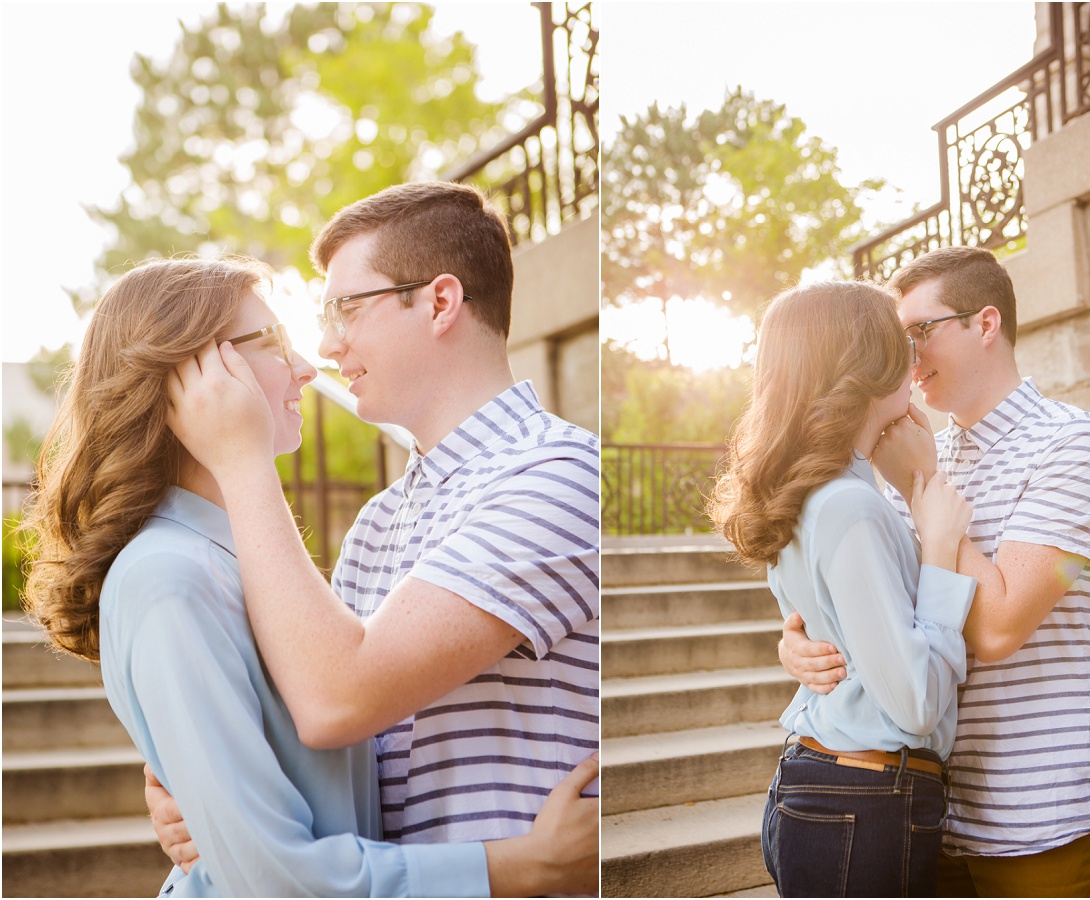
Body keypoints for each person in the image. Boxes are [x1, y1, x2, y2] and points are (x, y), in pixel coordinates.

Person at [21, 257, 597, 897]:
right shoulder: (167, 576)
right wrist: (524, 866)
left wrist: (210, 799)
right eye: (271, 343)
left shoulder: (242, 566)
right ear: (189, 376)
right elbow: (275, 878)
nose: (308, 365)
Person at [154, 182, 599, 864]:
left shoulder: (560, 473)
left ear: (439, 302)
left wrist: (242, 461)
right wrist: (208, 786)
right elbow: (317, 715)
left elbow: (338, 700)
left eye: (345, 310)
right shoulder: (378, 520)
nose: (327, 345)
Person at [780, 246, 1090, 897]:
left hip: (1040, 817)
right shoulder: (915, 457)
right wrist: (802, 641)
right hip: (923, 814)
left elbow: (997, 630)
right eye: (897, 337)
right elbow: (880, 609)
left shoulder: (1076, 448)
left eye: (921, 331)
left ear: (986, 324)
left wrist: (922, 484)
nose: (907, 358)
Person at [707, 280, 978, 897]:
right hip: (865, 801)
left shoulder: (821, 493)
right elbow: (913, 703)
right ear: (866, 365)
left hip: (836, 792)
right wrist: (938, 552)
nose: (916, 361)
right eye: (901, 343)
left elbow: (828, 634)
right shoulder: (849, 506)